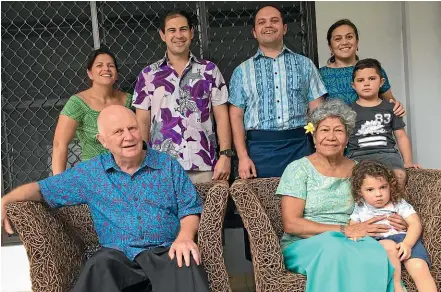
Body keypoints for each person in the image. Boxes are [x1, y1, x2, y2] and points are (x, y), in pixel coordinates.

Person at [2, 105, 209, 292]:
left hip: (165, 253)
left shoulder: (168, 165)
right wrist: (4, 201)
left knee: (186, 260)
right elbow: (40, 190)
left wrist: (185, 237)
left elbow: (189, 208)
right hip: (117, 259)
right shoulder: (90, 173)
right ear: (103, 141)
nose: (128, 137)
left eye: (132, 128)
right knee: (99, 265)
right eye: (118, 132)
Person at [277, 99, 409, 292]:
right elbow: (292, 224)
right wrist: (343, 229)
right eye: (324, 130)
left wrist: (398, 220)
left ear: (347, 139)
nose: (331, 137)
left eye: (338, 131)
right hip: (305, 243)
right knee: (334, 247)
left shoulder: (359, 171)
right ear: (314, 137)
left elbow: (380, 203)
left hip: (354, 238)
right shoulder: (297, 169)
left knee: (375, 252)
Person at [132, 10, 233, 184]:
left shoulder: (209, 70)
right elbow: (142, 122)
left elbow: (222, 116)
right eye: (172, 30)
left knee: (209, 212)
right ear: (162, 35)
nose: (178, 35)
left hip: (204, 164)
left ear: (192, 33)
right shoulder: (148, 75)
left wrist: (225, 156)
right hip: (162, 167)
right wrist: (142, 161)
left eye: (183, 29)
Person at [229, 4, 327, 179]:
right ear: (254, 31)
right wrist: (243, 157)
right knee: (261, 203)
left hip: (300, 146)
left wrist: (319, 149)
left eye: (274, 21)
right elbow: (236, 116)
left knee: (304, 203)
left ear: (284, 28)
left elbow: (317, 111)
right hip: (259, 151)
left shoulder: (305, 65)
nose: (268, 25)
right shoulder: (242, 71)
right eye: (262, 22)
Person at [350, 160, 437, 292]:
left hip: (403, 238)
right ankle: (397, 287)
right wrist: (354, 236)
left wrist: (407, 244)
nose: (378, 194)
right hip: (377, 241)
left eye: (383, 187)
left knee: (419, 267)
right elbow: (354, 226)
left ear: (390, 186)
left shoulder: (398, 203)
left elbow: (414, 223)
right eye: (370, 189)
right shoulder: (360, 206)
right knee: (388, 246)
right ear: (360, 191)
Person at [52, 47, 133, 175]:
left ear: (116, 74)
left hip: (128, 173)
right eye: (99, 65)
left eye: (110, 65)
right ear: (90, 73)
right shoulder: (78, 103)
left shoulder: (129, 100)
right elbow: (59, 144)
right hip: (95, 176)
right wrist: (58, 186)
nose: (106, 69)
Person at [347, 58, 420, 188]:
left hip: (387, 153)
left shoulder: (391, 108)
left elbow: (401, 136)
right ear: (353, 85)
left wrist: (408, 162)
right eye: (360, 80)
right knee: (358, 181)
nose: (366, 83)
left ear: (381, 82)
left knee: (400, 175)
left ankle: (394, 206)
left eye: (372, 78)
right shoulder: (348, 110)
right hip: (358, 155)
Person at [319, 19, 405, 117]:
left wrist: (397, 107)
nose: (344, 42)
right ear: (330, 47)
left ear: (357, 42)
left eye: (349, 37)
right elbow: (317, 112)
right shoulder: (320, 75)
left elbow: (390, 102)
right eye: (338, 39)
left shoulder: (373, 70)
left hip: (370, 128)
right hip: (336, 130)